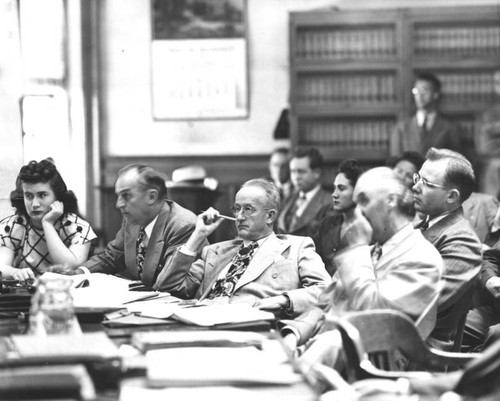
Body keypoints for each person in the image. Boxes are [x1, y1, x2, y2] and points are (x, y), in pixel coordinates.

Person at [280, 167, 442, 351]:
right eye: (356, 204)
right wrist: (293, 334)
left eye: (364, 201)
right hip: (321, 350)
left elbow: (374, 313)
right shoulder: (369, 251)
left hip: (365, 364)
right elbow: (322, 306)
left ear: (391, 200)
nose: (357, 214)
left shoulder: (422, 257)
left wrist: (356, 249)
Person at [155, 178, 331, 317]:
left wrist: (284, 300)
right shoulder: (215, 251)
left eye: (248, 209)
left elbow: (327, 291)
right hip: (202, 322)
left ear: (270, 216)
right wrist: (198, 236)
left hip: (252, 326)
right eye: (237, 209)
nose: (239, 217)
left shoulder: (297, 247)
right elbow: (168, 287)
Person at [54, 164, 202, 289]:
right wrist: (80, 272)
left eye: (126, 195)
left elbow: (172, 284)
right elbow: (113, 256)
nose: (118, 204)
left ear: (151, 196)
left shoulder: (183, 225)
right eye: (118, 196)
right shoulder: (134, 219)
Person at [412, 147, 482, 350]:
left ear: (451, 196)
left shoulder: (463, 241)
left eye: (425, 183)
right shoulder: (420, 225)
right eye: (418, 178)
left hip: (421, 351)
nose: (415, 187)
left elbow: (420, 304)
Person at [0, 159, 97, 281]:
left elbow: (69, 268)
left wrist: (48, 224)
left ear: (57, 196)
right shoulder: (13, 226)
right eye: (29, 196)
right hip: (25, 295)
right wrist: (15, 272)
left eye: (42, 195)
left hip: (68, 294)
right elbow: (1, 266)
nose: (34, 204)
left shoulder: (78, 227)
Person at [390, 72, 461, 157]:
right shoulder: (401, 128)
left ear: (435, 94)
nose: (419, 95)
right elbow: (396, 160)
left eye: (424, 90)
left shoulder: (449, 128)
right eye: (416, 91)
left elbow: (454, 161)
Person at [313, 159, 363, 276]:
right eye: (334, 188)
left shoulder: (368, 228)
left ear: (357, 191)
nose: (334, 194)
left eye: (341, 188)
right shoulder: (327, 224)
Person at [277, 147, 333, 237]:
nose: (296, 177)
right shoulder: (287, 199)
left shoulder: (329, 203)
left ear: (317, 173)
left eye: (301, 171)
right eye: (293, 171)